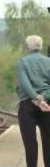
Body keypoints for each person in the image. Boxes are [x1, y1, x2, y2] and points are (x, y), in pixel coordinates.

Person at [17, 35, 50, 167]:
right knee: (48, 142)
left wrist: (36, 99)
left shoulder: (22, 62)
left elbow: (25, 84)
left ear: (27, 46)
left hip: (27, 105)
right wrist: (44, 97)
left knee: (30, 144)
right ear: (40, 46)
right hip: (47, 105)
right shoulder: (48, 61)